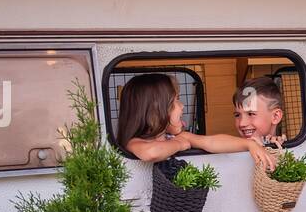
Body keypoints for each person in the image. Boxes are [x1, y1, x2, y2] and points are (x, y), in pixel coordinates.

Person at [116, 72, 276, 171]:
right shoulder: (134, 142)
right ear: (157, 110)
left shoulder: (179, 137)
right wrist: (180, 144)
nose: (182, 106)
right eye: (176, 101)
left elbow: (213, 142)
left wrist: (249, 145)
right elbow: (150, 153)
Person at [232, 75, 285, 143]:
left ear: (275, 117)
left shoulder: (286, 149)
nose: (242, 123)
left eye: (251, 114)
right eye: (237, 115)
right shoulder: (237, 148)